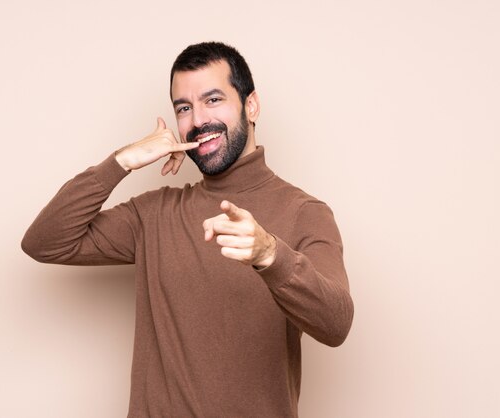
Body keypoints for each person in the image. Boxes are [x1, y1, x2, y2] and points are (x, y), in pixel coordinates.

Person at [22, 41, 354, 417]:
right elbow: (44, 242)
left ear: (251, 105)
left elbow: (336, 324)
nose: (197, 120)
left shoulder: (304, 212)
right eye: (184, 107)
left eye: (213, 100)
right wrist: (121, 162)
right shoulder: (154, 213)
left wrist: (270, 256)